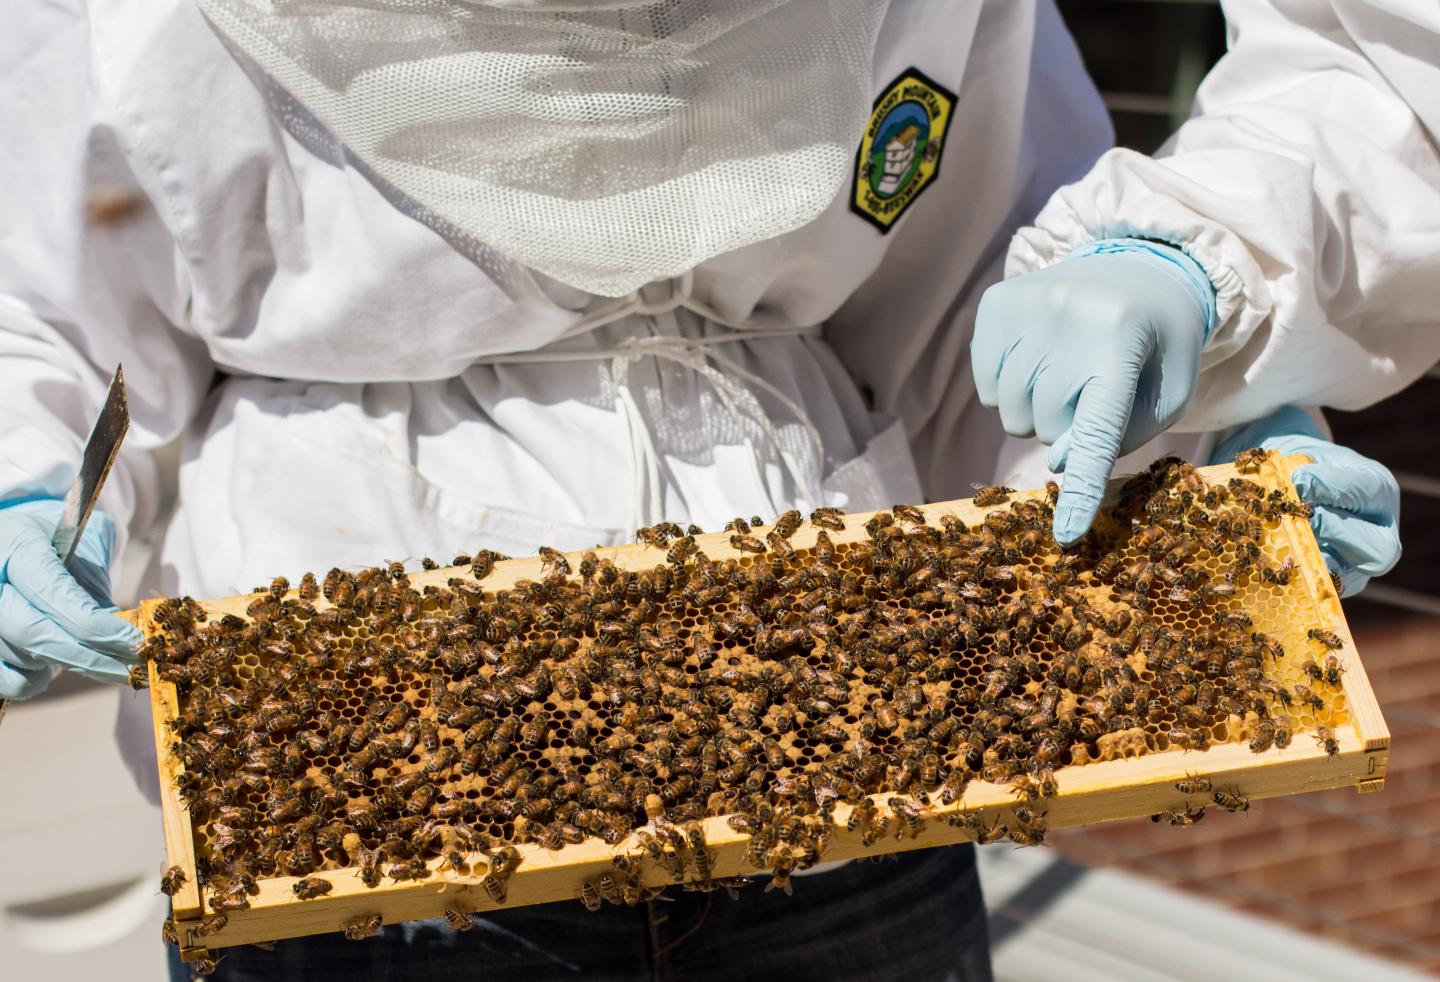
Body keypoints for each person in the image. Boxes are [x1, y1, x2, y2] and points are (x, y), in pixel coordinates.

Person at [0, 1, 1430, 979]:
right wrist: (16, 487)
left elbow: (974, 315)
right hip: (363, 841)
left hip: (847, 803)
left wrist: (1181, 433)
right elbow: (37, 291)